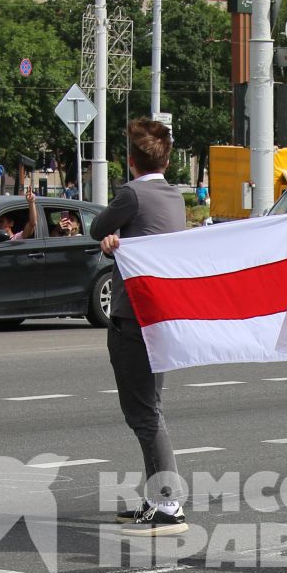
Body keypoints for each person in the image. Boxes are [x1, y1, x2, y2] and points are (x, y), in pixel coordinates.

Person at [91, 118, 188, 537]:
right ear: (166, 159)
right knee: (152, 408)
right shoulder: (176, 196)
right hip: (163, 317)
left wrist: (112, 238)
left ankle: (168, 502)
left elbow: (96, 228)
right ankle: (156, 499)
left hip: (134, 318)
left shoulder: (132, 193)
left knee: (144, 414)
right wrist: (121, 243)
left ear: (130, 160)